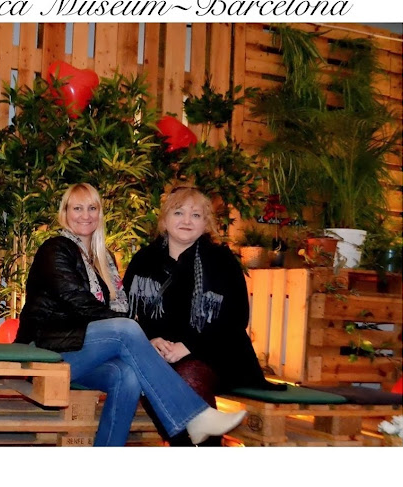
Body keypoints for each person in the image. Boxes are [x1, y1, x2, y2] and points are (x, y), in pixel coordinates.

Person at [16, 183, 247, 446]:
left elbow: (124, 309)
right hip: (47, 348)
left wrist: (144, 342)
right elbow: (81, 305)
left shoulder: (103, 259)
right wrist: (138, 337)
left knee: (127, 376)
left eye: (92, 208)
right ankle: (193, 415)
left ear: (100, 213)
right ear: (65, 213)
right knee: (125, 330)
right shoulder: (55, 249)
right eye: (77, 208)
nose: (85, 215)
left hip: (80, 351)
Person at [123, 185, 286, 446]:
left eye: (196, 215)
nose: (187, 221)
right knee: (146, 374)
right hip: (158, 354)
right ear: (165, 219)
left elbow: (236, 318)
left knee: (185, 374)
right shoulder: (144, 260)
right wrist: (150, 341)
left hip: (217, 354)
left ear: (206, 223)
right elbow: (127, 313)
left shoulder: (221, 260)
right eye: (179, 213)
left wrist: (188, 346)